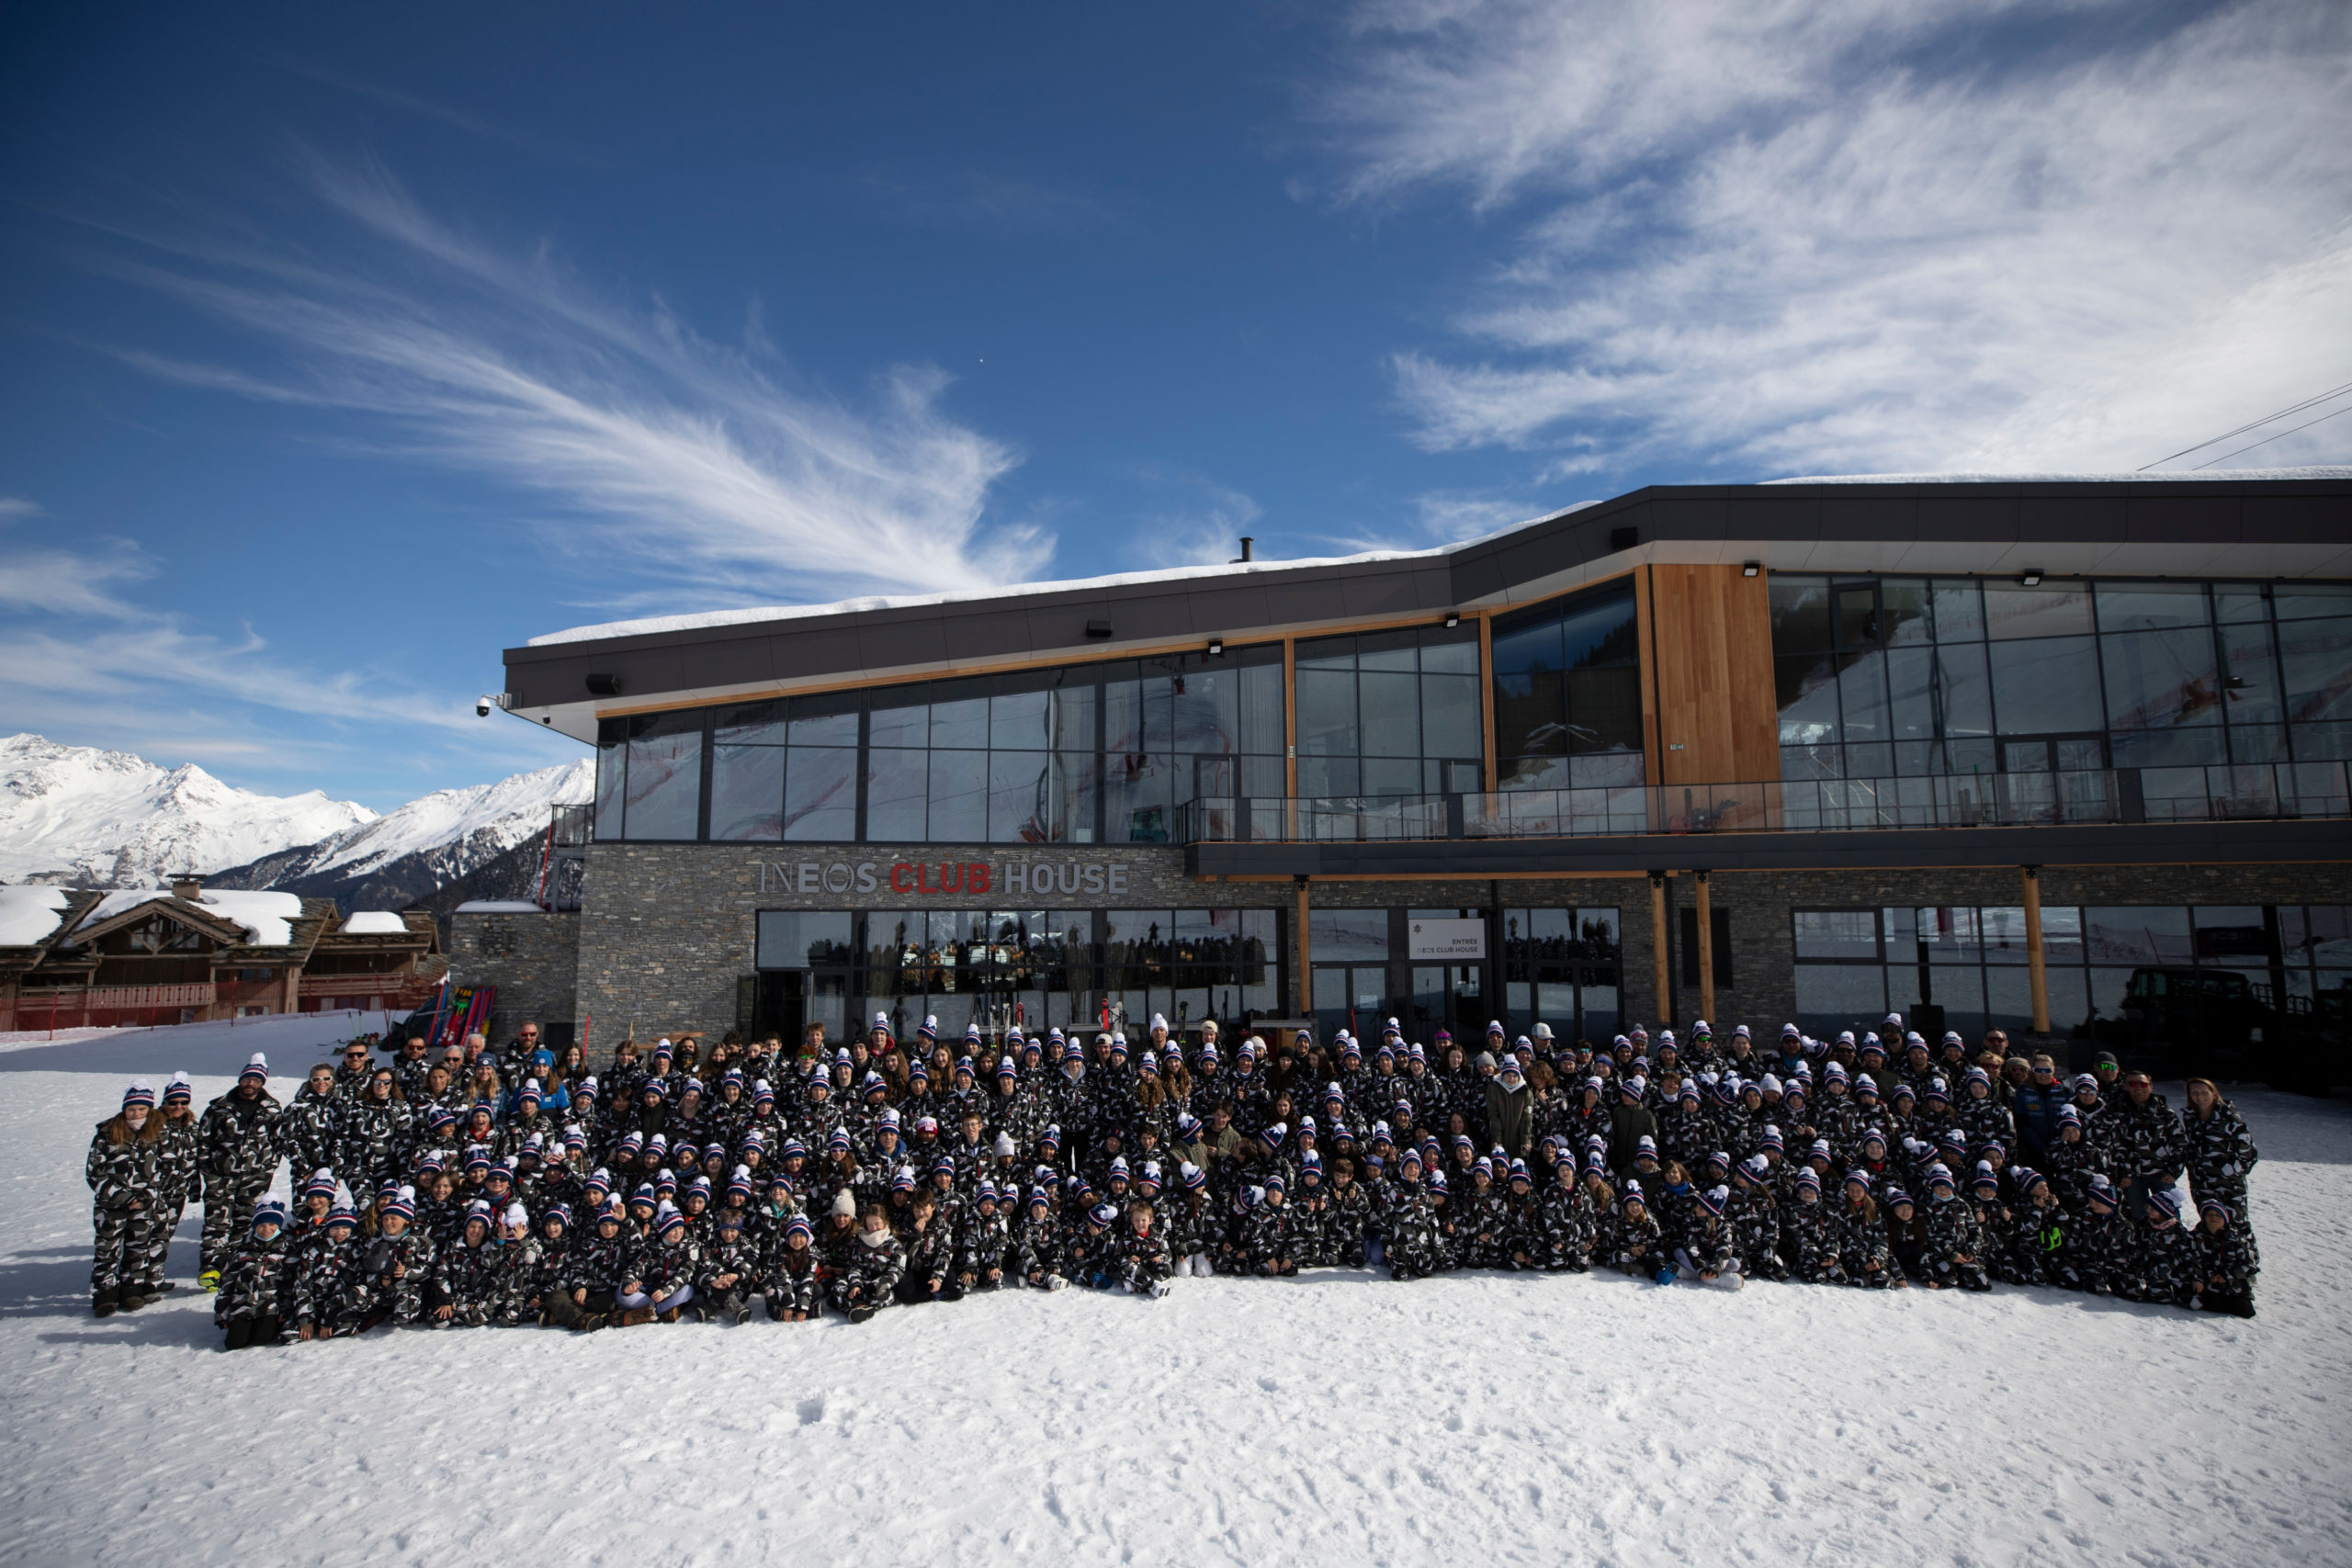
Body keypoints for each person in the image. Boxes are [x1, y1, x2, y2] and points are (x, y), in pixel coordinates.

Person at [198, 1054, 284, 1290]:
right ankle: (212, 1268)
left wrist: (269, 1167)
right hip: (221, 1176)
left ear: (262, 1082)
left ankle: (235, 1264)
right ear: (241, 1079)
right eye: (247, 1079)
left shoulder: (272, 1108)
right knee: (217, 1223)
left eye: (256, 1080)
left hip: (256, 1176)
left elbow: (279, 1141)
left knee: (245, 1222)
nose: (251, 1084)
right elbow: (203, 1140)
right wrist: (209, 1171)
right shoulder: (219, 1107)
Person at [86, 1079, 165, 1316]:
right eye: (132, 1108)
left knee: (138, 1248)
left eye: (142, 1109)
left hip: (144, 1204)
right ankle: (105, 1293)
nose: (136, 1113)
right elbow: (94, 1173)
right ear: (124, 1108)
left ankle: (131, 1289)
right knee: (107, 1250)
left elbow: (164, 1169)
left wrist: (147, 1196)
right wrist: (124, 1198)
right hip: (111, 1205)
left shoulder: (157, 1133)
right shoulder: (107, 1133)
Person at [2179, 1077, 2258, 1224]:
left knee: (2237, 1227)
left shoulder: (2229, 1118)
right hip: (2201, 1183)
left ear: (2214, 1094)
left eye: (2204, 1092)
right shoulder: (2191, 1118)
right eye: (2194, 1093)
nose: (2199, 1096)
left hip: (2228, 1186)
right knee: (2209, 1226)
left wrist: (2231, 1171)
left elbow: (2249, 1153)